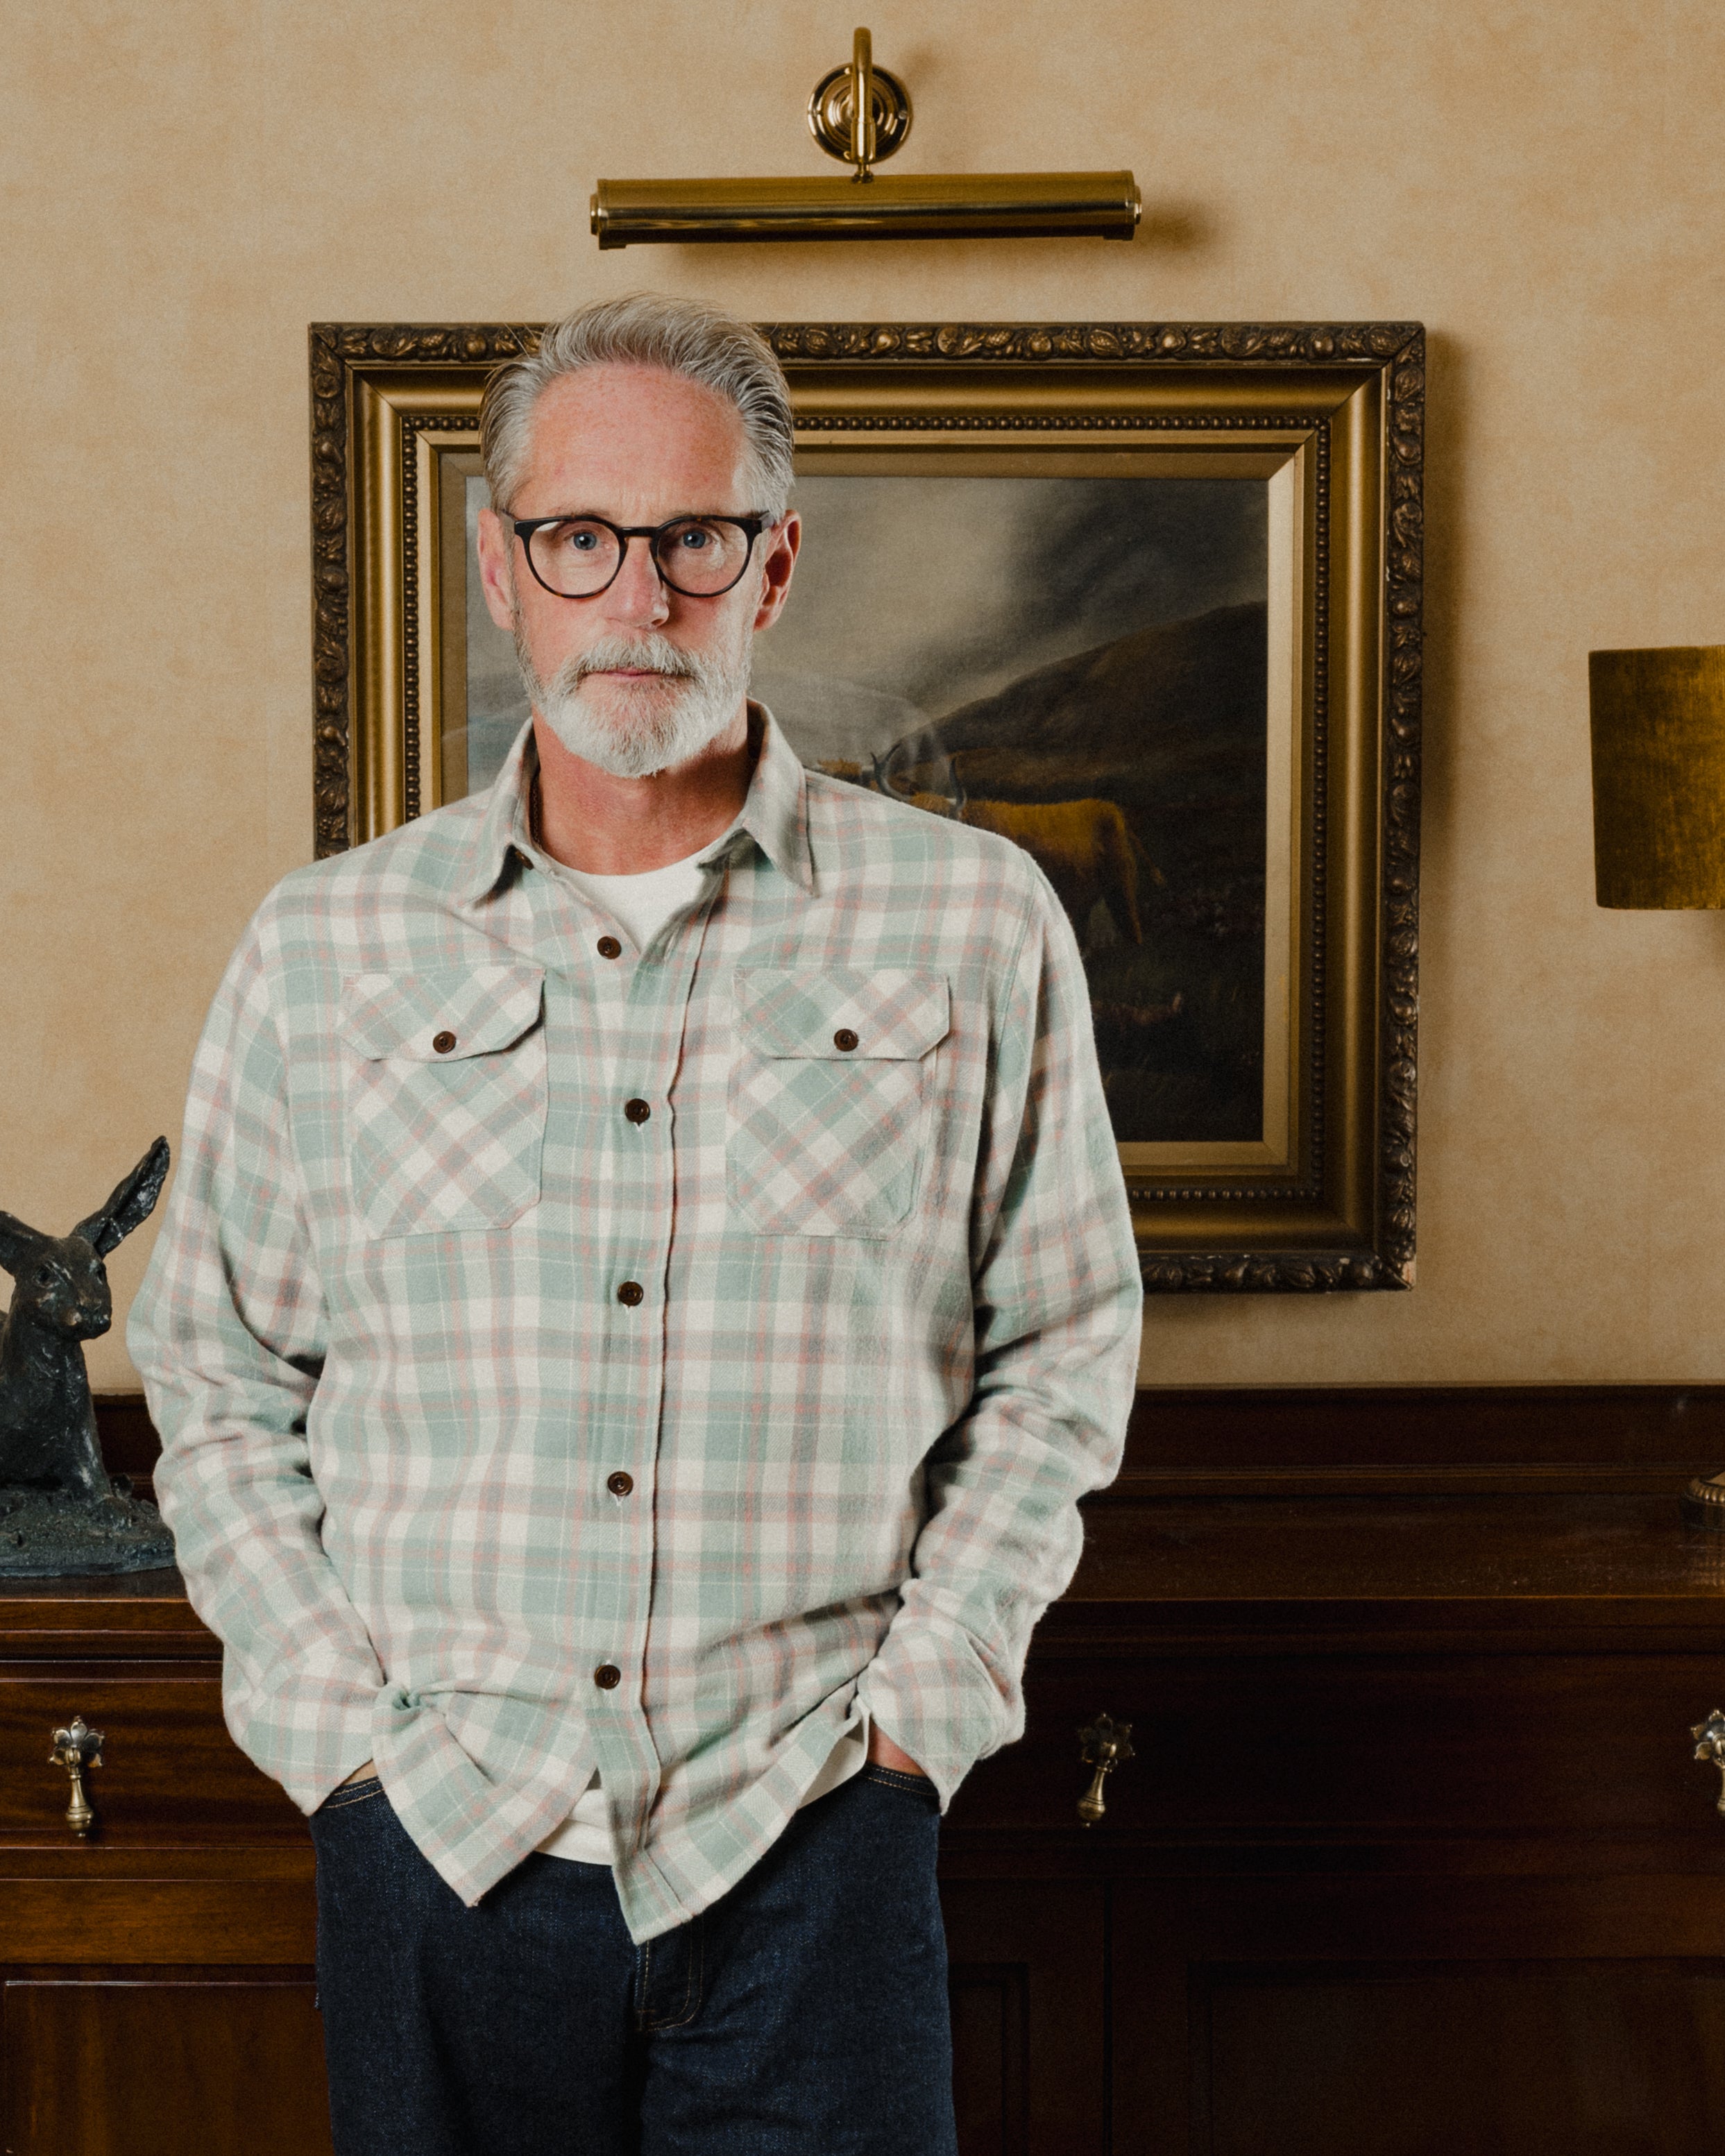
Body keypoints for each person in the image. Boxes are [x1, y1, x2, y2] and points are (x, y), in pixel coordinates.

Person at [130, 292, 1142, 2156]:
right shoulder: (327, 942)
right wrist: (338, 1735)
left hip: (812, 1839)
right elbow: (212, 1365)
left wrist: (920, 1716)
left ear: (774, 566)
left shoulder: (975, 923)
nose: (638, 596)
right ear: (502, 567)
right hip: (440, 1844)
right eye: (580, 538)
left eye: (694, 538)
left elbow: (1065, 1349)